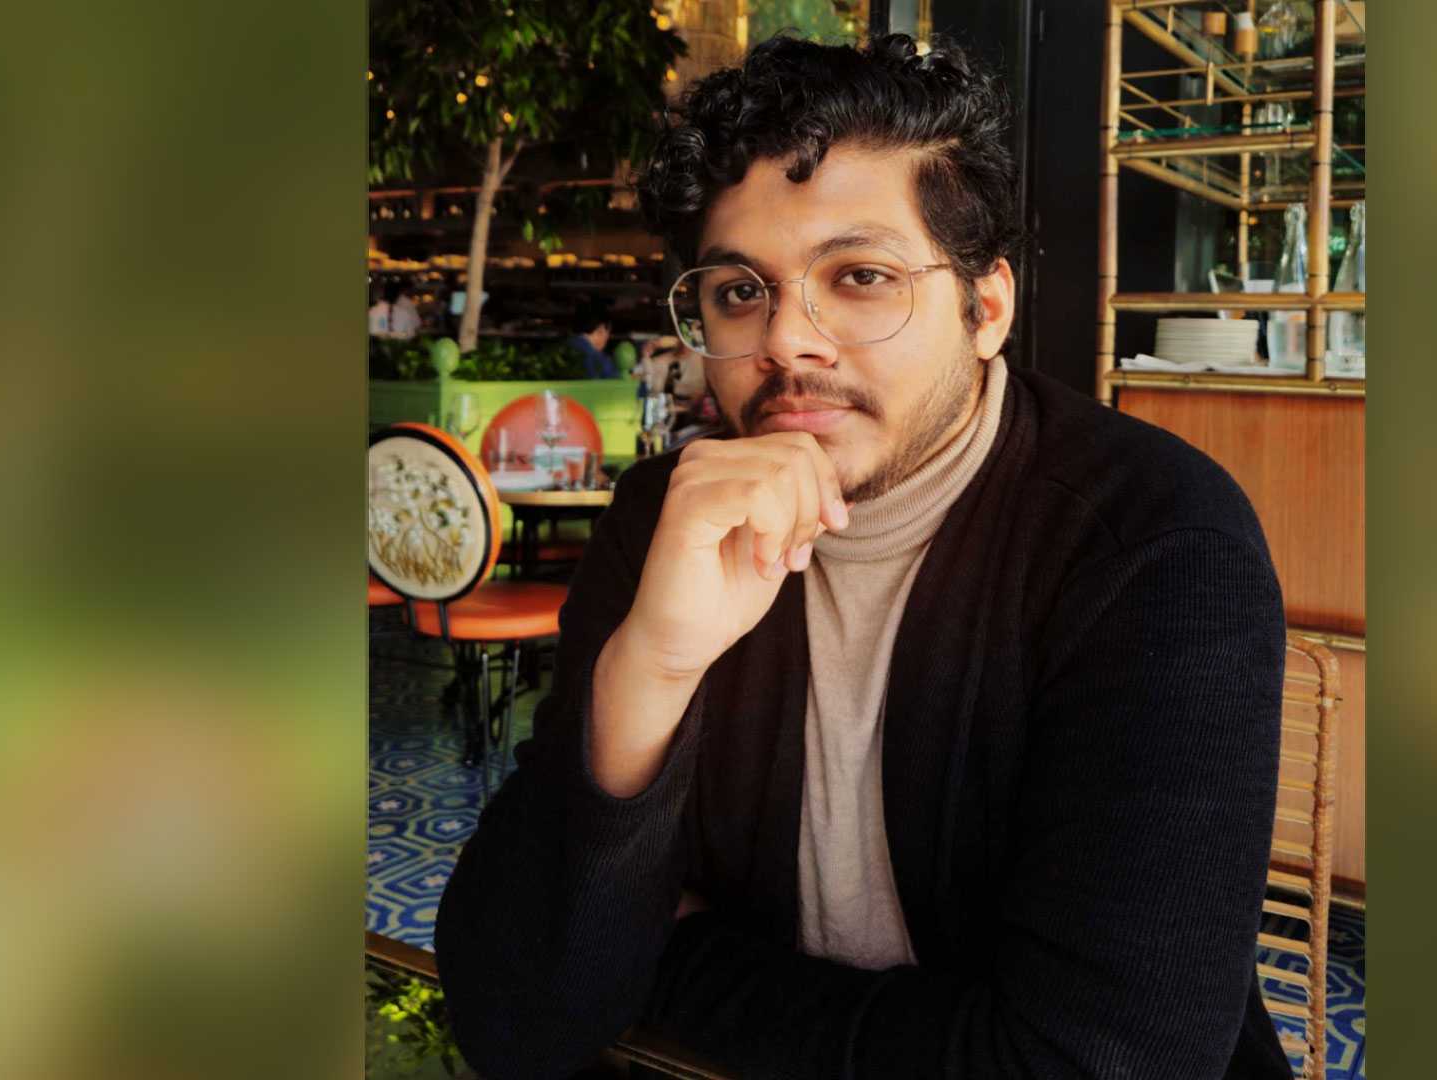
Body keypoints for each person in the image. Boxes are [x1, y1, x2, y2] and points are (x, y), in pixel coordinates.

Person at [437, 34, 1291, 1080]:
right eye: (739, 291)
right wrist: (649, 670)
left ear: (986, 308)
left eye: (862, 277)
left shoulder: (1152, 545)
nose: (786, 341)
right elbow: (513, 1018)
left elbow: (1094, 1065)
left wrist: (682, 957)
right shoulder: (671, 521)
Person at [569, 298, 623, 379]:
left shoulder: (560, 353)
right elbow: (619, 382)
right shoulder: (600, 361)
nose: (607, 338)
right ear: (601, 329)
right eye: (608, 332)